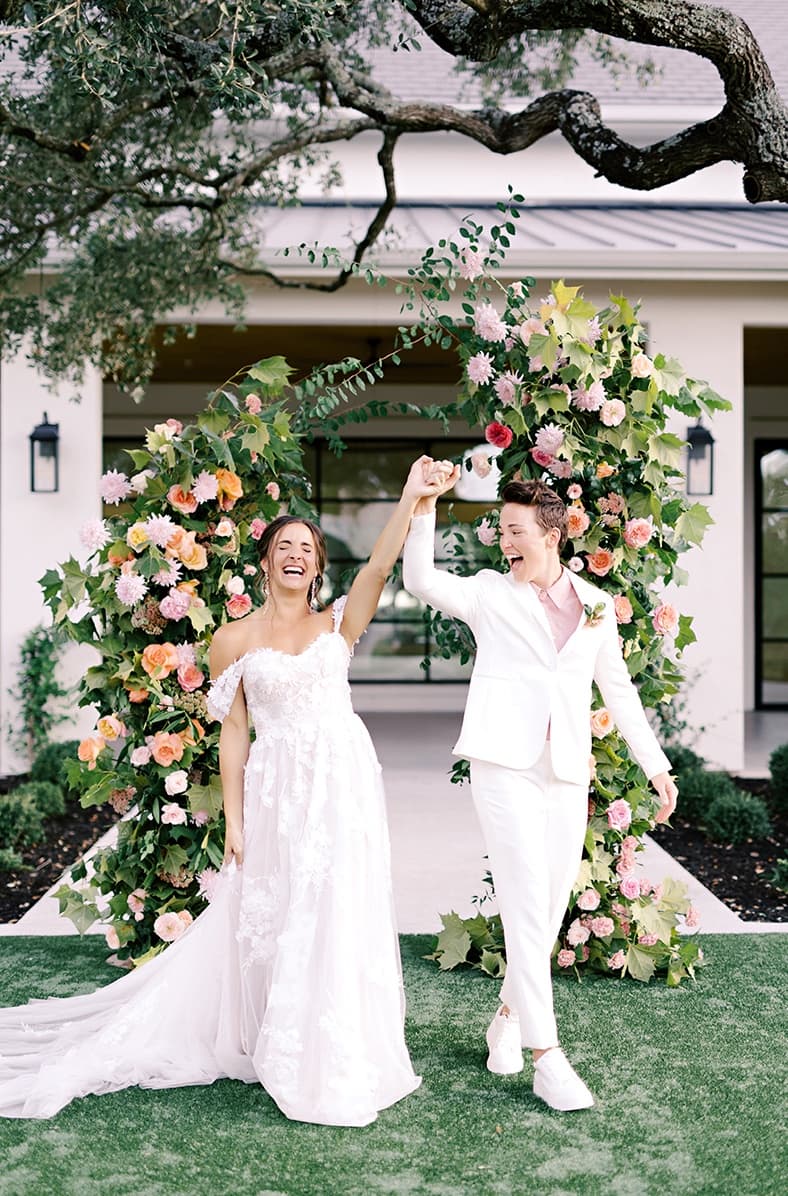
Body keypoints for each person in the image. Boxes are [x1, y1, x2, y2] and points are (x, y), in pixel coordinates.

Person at [0, 457, 446, 1125]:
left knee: (338, 903)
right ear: (265, 563)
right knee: (284, 906)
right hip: (278, 790)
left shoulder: (336, 628)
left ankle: (340, 1045)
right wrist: (234, 820)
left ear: (317, 568)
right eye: (284, 547)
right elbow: (233, 733)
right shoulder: (231, 640)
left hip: (344, 784)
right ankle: (281, 1039)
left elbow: (379, 570)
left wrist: (412, 496)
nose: (296, 556)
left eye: (307, 549)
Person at [403, 471, 678, 1112]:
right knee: (527, 893)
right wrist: (424, 508)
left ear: (551, 535)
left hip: (566, 770)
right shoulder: (491, 594)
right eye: (503, 532)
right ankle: (547, 1056)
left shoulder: (598, 605)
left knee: (549, 904)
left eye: (517, 532)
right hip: (504, 765)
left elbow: (619, 691)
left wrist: (656, 765)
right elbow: (420, 582)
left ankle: (506, 1015)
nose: (507, 544)